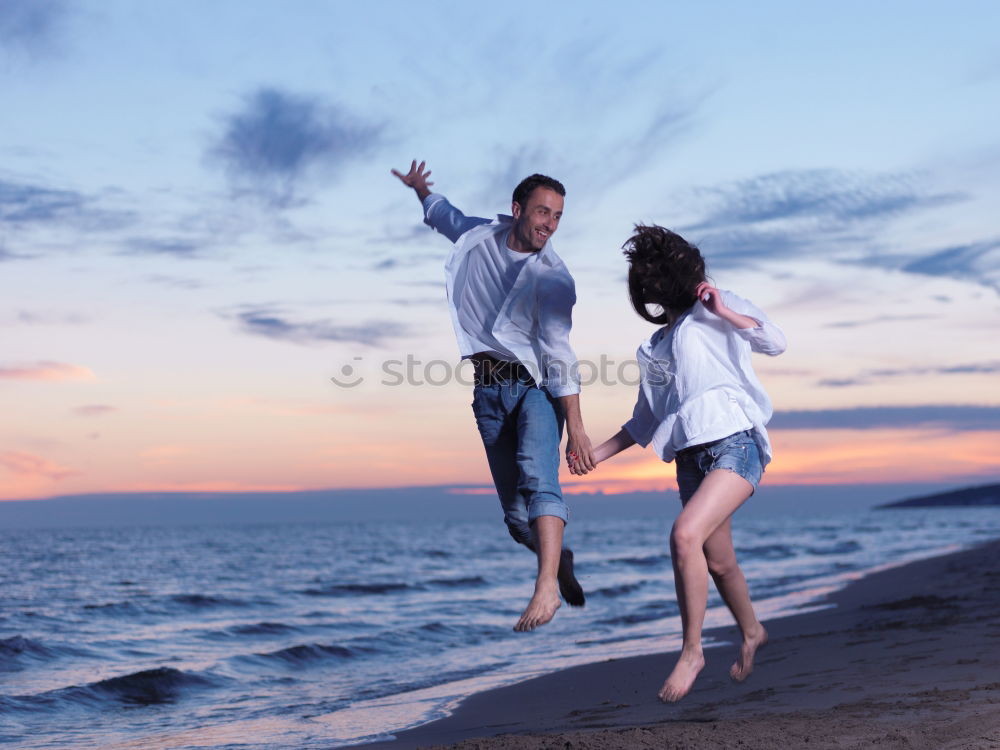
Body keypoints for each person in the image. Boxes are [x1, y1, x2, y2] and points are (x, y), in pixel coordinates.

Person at [573, 224, 786, 701]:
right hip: (691, 459)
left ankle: (692, 650)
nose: (647, 282)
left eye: (652, 272)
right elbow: (644, 422)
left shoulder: (717, 307)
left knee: (684, 535)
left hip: (736, 443)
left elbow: (775, 341)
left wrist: (724, 311)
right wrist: (594, 456)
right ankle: (752, 631)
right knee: (719, 560)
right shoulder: (653, 349)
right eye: (641, 276)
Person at [392, 160, 595, 632]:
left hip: (535, 387)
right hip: (486, 389)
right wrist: (421, 190)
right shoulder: (479, 237)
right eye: (543, 211)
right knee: (515, 518)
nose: (550, 224)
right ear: (517, 209)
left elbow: (561, 353)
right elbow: (446, 216)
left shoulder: (554, 279)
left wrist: (578, 430)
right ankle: (557, 559)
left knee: (536, 475)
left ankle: (546, 586)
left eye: (558, 216)